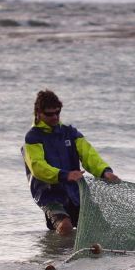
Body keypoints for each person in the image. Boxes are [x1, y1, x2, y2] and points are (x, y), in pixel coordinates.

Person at [22, 89, 119, 236]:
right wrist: (64, 175)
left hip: (76, 192)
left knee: (101, 227)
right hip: (49, 195)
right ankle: (60, 255)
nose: (55, 117)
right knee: (65, 226)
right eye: (49, 114)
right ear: (38, 113)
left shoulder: (70, 133)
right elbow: (37, 167)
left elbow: (89, 155)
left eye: (57, 112)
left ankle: (93, 254)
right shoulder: (32, 138)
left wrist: (105, 172)